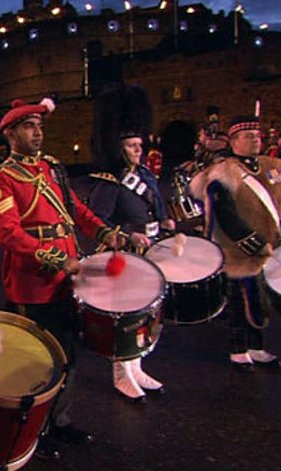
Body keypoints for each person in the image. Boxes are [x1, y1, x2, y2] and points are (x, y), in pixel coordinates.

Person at [0, 98, 120, 459]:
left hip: (66, 279)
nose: (37, 132)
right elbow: (8, 234)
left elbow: (77, 212)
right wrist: (60, 259)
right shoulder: (0, 177)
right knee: (37, 363)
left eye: (39, 126)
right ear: (10, 133)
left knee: (68, 356)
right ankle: (32, 433)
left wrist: (105, 233)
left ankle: (58, 420)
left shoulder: (52, 168)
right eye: (29, 126)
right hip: (33, 283)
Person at [189, 116, 281, 371]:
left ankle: (256, 346)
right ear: (234, 142)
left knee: (261, 300)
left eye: (256, 136)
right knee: (237, 300)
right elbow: (225, 214)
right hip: (236, 248)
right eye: (248, 136)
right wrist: (253, 242)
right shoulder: (223, 173)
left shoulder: (277, 168)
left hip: (270, 246)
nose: (255, 140)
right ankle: (238, 350)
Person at [87, 85, 173, 401]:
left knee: (146, 313)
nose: (139, 150)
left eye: (140, 144)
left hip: (149, 250)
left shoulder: (146, 175)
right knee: (126, 317)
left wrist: (166, 222)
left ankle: (136, 366)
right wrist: (126, 235)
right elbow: (96, 221)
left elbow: (155, 205)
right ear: (118, 147)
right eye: (132, 145)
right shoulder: (108, 181)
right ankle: (121, 373)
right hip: (125, 254)